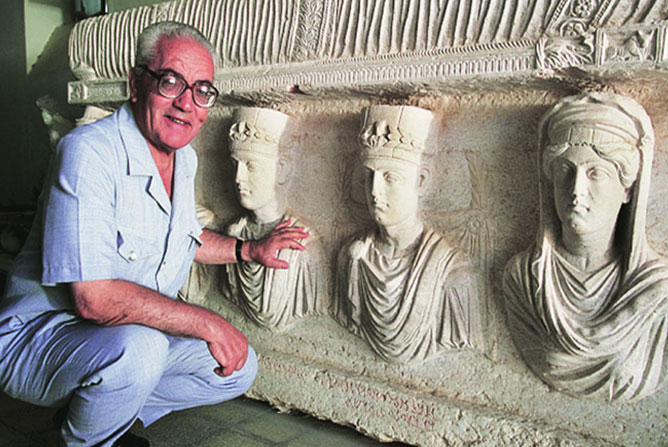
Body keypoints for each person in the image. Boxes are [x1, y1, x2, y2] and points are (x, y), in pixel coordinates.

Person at [0, 21, 308, 447]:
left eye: (201, 90)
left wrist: (250, 249)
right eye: (170, 82)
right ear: (135, 84)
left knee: (237, 368)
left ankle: (105, 416)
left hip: (117, 339)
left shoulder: (183, 159)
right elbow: (94, 299)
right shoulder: (88, 152)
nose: (186, 103)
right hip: (39, 339)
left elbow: (182, 236)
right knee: (142, 349)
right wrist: (207, 322)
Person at [503, 92, 668, 401]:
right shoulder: (523, 280)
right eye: (565, 171)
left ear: (627, 189)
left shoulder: (657, 294)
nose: (576, 190)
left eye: (596, 173)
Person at [333, 105, 483, 364]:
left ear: (421, 181)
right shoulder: (351, 257)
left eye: (390, 177)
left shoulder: (452, 273)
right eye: (369, 176)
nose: (375, 191)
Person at [221, 107, 328, 331]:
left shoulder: (304, 246)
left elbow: (317, 306)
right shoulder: (233, 234)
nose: (238, 178)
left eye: (251, 166)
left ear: (282, 170)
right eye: (234, 165)